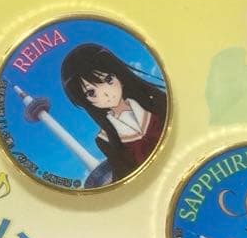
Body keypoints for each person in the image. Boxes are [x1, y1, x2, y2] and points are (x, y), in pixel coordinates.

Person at [59, 43, 167, 182]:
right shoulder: (105, 140)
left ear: (119, 75)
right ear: (85, 100)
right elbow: (124, 174)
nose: (106, 94)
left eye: (108, 79)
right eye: (91, 93)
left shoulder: (155, 100)